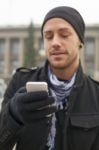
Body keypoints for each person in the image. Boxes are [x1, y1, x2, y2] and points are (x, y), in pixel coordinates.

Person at [0, 6, 99, 150]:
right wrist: (13, 116)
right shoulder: (21, 82)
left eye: (64, 35)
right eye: (48, 36)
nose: (55, 43)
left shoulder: (96, 94)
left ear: (81, 42)